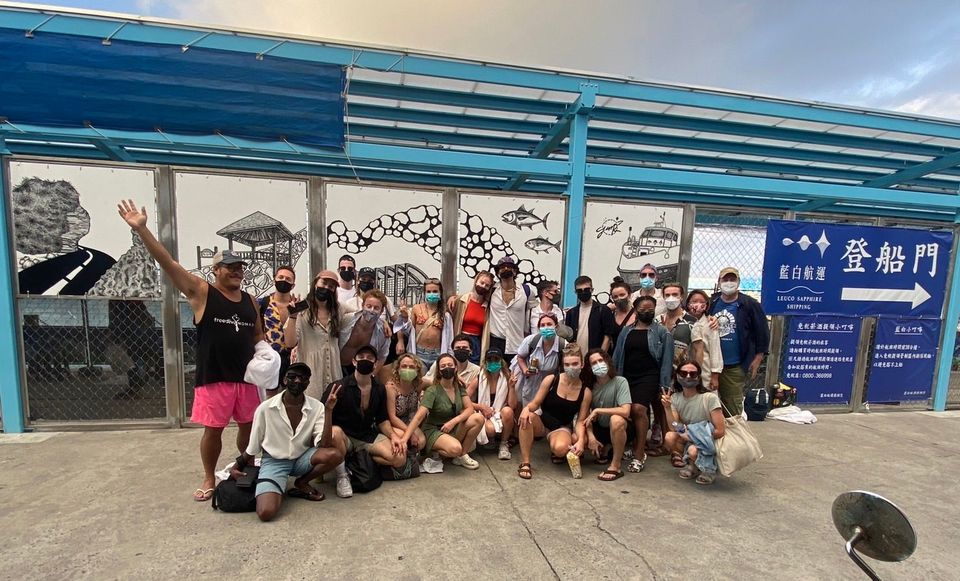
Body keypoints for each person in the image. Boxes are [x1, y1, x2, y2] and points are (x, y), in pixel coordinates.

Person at [118, 199, 263, 502]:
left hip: (246, 379)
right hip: (214, 377)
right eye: (231, 267)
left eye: (241, 267)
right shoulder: (202, 292)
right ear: (216, 270)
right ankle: (209, 476)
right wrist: (143, 230)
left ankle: (246, 466)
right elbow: (169, 264)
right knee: (213, 431)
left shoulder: (251, 301)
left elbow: (258, 336)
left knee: (249, 428)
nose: (238, 271)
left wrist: (267, 357)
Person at [231, 363, 343, 521]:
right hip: (274, 462)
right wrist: (237, 466)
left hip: (301, 458)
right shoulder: (266, 408)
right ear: (284, 380)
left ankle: (302, 483)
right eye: (292, 377)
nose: (297, 381)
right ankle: (274, 485)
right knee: (266, 513)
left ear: (308, 383)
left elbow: (324, 444)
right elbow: (254, 445)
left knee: (335, 454)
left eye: (303, 378)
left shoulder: (317, 407)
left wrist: (329, 410)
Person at [324, 345, 407, 498]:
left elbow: (382, 420)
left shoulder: (379, 388)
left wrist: (394, 436)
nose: (365, 361)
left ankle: (357, 462)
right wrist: (329, 408)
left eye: (370, 359)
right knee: (334, 432)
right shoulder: (338, 387)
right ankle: (342, 476)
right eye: (361, 358)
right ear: (354, 362)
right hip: (344, 437)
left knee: (399, 458)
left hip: (366, 435)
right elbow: (322, 421)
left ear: (375, 364)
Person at [612, 295, 674, 473]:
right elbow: (617, 356)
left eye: (650, 310)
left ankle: (640, 454)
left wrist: (664, 385)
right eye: (642, 310)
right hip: (627, 376)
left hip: (649, 376)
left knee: (639, 409)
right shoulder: (626, 331)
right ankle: (633, 445)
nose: (646, 312)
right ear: (635, 309)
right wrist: (615, 378)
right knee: (629, 411)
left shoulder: (662, 332)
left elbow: (667, 361)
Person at [516, 346, 590, 480]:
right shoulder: (551, 379)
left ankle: (563, 448)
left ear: (582, 364)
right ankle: (525, 462)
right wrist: (526, 409)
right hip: (542, 422)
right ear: (563, 365)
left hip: (561, 428)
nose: (571, 367)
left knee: (560, 449)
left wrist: (580, 441)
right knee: (527, 418)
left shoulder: (585, 392)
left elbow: (580, 421)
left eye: (574, 364)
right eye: (567, 364)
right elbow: (535, 402)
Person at [401, 353, 485, 469]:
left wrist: (454, 421)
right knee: (455, 448)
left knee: (478, 418)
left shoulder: (458, 387)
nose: (447, 368)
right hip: (434, 429)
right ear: (439, 371)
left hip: (452, 426)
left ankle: (462, 455)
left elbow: (469, 408)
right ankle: (441, 451)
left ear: (455, 368)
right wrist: (405, 438)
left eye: (450, 365)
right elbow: (419, 417)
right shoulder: (433, 390)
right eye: (443, 366)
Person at [709, 267, 769, 416]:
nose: (729, 283)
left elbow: (762, 331)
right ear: (719, 282)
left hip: (734, 365)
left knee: (732, 407)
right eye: (725, 279)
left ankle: (736, 436)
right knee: (710, 405)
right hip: (711, 364)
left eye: (732, 279)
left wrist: (758, 357)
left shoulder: (749, 304)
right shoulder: (712, 302)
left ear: (738, 282)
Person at [661, 361, 725, 485]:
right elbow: (673, 427)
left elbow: (720, 430)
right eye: (683, 373)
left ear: (699, 376)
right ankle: (693, 465)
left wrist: (695, 437)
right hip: (689, 436)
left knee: (693, 450)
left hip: (710, 439)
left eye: (693, 373)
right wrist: (667, 408)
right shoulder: (675, 398)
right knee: (669, 437)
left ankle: (708, 470)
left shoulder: (709, 398)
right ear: (677, 376)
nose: (688, 377)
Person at [283, 270, 342, 400]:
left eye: (331, 286)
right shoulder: (301, 310)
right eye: (324, 283)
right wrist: (292, 316)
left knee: (334, 410)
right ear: (316, 283)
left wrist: (383, 322)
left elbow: (360, 312)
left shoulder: (338, 310)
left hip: (333, 371)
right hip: (310, 373)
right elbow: (289, 342)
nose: (326, 288)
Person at [582, 349, 633, 481]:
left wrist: (598, 410)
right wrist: (591, 437)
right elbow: (584, 416)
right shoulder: (589, 388)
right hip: (599, 428)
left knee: (616, 420)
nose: (598, 365)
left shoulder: (620, 381)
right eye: (594, 363)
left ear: (607, 361)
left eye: (600, 360)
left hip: (620, 427)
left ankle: (615, 466)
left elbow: (625, 411)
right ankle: (605, 448)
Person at [487, 256, 536, 365]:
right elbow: (475, 295)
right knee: (495, 374)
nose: (506, 269)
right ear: (497, 272)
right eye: (502, 267)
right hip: (495, 342)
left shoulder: (526, 291)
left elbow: (533, 313)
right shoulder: (491, 290)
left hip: (517, 341)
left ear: (515, 271)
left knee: (516, 375)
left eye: (509, 267)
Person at [511, 312, 566, 409]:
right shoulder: (531, 341)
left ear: (556, 327)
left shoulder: (563, 345)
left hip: (550, 384)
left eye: (549, 324)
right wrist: (525, 370)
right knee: (525, 407)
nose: (546, 327)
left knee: (544, 409)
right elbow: (520, 357)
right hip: (530, 380)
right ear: (539, 328)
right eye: (542, 325)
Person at [396, 278, 453, 370]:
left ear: (440, 293)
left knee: (434, 382)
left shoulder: (445, 313)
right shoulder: (416, 309)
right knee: (419, 382)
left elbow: (449, 338)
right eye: (428, 291)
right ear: (424, 293)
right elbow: (407, 330)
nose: (431, 294)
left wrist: (449, 357)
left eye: (435, 291)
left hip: (437, 354)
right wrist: (405, 317)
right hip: (419, 353)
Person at [469, 348, 516, 460]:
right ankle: (491, 438)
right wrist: (481, 407)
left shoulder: (507, 377)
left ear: (501, 361)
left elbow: (512, 405)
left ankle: (504, 444)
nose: (493, 362)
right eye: (490, 360)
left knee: (508, 411)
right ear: (486, 362)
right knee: (490, 431)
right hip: (482, 413)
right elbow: (464, 398)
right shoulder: (479, 377)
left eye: (496, 359)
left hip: (499, 413)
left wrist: (512, 387)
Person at [259, 266, 298, 398]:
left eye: (288, 279)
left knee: (291, 396)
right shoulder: (263, 303)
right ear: (274, 280)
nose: (284, 280)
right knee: (270, 397)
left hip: (292, 358)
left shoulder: (298, 306)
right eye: (280, 277)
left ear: (293, 285)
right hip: (270, 358)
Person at [339, 290, 391, 376]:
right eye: (369, 306)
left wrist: (371, 376)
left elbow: (382, 357)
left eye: (376, 308)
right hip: (338, 366)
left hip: (361, 372)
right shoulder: (346, 320)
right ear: (363, 306)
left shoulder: (384, 332)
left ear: (381, 311)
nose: (372, 310)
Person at [565, 275, 618, 355]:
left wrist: (600, 356)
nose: (583, 292)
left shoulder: (603, 310)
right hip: (576, 360)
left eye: (586, 289)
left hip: (596, 359)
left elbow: (608, 337)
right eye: (579, 291)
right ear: (575, 292)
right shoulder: (571, 313)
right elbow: (569, 338)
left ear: (592, 290)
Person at [449, 271, 494, 363]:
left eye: (487, 285)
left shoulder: (488, 306)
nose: (483, 286)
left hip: (476, 343)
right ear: (476, 281)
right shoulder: (460, 301)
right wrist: (451, 298)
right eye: (482, 283)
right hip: (460, 340)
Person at [384, 353, 425, 453]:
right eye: (404, 366)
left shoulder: (418, 384)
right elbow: (392, 417)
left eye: (412, 367)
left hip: (411, 423)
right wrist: (410, 434)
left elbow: (436, 382)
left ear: (417, 370)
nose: (407, 369)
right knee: (406, 439)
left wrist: (456, 378)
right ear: (398, 369)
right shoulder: (391, 388)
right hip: (395, 424)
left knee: (422, 442)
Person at [687, 290, 722, 391]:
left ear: (706, 305)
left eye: (701, 301)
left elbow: (715, 351)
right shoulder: (682, 321)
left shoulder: (710, 324)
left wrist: (715, 376)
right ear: (688, 303)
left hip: (705, 372)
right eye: (694, 301)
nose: (698, 304)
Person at [659, 282, 698, 368]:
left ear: (681, 296)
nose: (671, 298)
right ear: (663, 297)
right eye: (667, 295)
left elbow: (698, 350)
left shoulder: (692, 322)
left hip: (683, 373)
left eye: (675, 294)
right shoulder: (657, 320)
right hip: (660, 370)